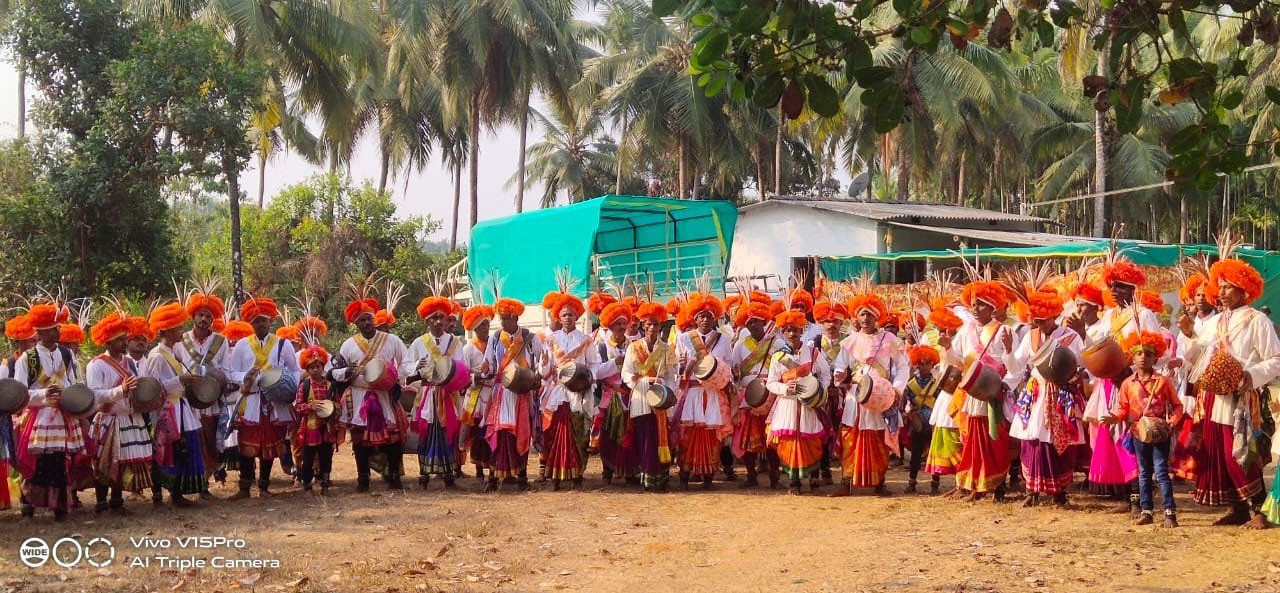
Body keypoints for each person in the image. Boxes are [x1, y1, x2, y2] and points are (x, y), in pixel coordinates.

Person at [1178, 249, 1280, 529]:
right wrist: (1189, 335)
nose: (1221, 292)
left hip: (1244, 397)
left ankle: (1261, 511)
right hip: (1215, 396)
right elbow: (1201, 354)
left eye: (1227, 287)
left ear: (1244, 289)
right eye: (1219, 286)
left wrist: (1250, 375)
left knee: (1242, 453)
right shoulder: (1218, 321)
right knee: (1220, 455)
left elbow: (1275, 359)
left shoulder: (1256, 320)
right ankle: (1238, 509)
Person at [1008, 288, 1086, 507]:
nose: (1040, 325)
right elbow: (1016, 368)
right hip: (1036, 394)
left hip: (1061, 395)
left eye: (1043, 320)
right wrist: (1007, 352)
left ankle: (1059, 492)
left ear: (1054, 316)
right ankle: (1032, 491)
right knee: (1032, 440)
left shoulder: (1070, 337)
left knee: (1057, 442)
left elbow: (1083, 364)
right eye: (1036, 320)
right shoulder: (1030, 338)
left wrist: (1073, 379)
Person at [830, 292, 908, 497]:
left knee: (878, 438)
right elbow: (840, 365)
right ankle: (845, 482)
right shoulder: (850, 341)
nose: (865, 318)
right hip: (856, 397)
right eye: (862, 314)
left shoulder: (890, 340)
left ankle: (879, 482)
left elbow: (902, 367)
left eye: (869, 315)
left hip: (881, 396)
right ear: (856, 317)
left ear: (877, 317)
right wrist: (841, 374)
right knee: (850, 438)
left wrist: (897, 390)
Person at [331, 294, 409, 492]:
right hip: (359, 396)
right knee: (360, 439)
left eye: (369, 318)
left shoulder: (391, 340)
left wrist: (394, 378)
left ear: (374, 319)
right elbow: (334, 372)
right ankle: (362, 479)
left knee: (392, 437)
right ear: (355, 323)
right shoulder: (348, 345)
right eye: (362, 320)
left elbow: (406, 362)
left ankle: (393, 476)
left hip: (384, 395)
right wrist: (347, 372)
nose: (366, 322)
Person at [1106, 331, 1184, 527]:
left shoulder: (1162, 382)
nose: (1143, 358)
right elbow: (1123, 409)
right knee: (1143, 472)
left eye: (1147, 354)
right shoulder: (1127, 383)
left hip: (1159, 434)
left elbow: (1177, 405)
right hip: (1138, 433)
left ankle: (1169, 514)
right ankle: (1146, 511)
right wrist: (1115, 418)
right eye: (1138, 353)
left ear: (1155, 357)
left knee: (1161, 472)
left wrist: (1172, 423)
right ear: (1132, 357)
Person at [14, 303, 83, 520]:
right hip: (39, 417)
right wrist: (44, 395)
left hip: (63, 415)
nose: (58, 332)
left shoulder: (67, 355)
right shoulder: (28, 358)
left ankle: (60, 505)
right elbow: (20, 393)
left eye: (58, 328)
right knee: (38, 461)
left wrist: (71, 395)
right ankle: (29, 503)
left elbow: (74, 382)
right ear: (41, 332)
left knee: (60, 461)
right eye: (54, 328)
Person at [949, 278, 1017, 502]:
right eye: (973, 304)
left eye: (981, 304)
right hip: (970, 393)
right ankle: (975, 486)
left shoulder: (1004, 330)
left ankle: (998, 487)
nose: (975, 309)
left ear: (993, 307)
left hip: (993, 391)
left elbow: (1015, 365)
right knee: (971, 439)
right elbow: (957, 361)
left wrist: (1008, 351)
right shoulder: (965, 330)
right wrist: (947, 347)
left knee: (994, 439)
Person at [225, 297, 300, 499]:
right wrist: (248, 377)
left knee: (270, 444)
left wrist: (289, 389)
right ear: (251, 323)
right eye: (256, 321)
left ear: (270, 321)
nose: (261, 324)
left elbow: (295, 371)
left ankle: (264, 486)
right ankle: (244, 488)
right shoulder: (241, 345)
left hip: (273, 401)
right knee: (247, 444)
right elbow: (231, 372)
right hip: (250, 400)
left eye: (264, 320)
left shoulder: (283, 345)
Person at [86, 310, 153, 514]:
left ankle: (117, 501)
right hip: (108, 418)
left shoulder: (130, 363)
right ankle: (100, 501)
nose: (125, 343)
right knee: (103, 460)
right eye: (120, 340)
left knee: (122, 461)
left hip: (129, 417)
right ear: (108, 342)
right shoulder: (95, 365)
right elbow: (95, 395)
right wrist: (121, 390)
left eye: (125, 339)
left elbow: (136, 388)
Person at [139, 301, 206, 507]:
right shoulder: (157, 356)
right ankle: (168, 492)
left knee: (183, 447)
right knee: (172, 449)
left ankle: (177, 492)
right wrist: (181, 380)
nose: (182, 331)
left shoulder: (173, 352)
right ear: (167, 331)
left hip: (180, 407)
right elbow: (152, 387)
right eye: (178, 328)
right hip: (168, 410)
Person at [540, 292, 601, 490]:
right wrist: (543, 365)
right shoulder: (550, 339)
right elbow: (545, 370)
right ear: (558, 317)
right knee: (554, 432)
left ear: (577, 317)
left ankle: (576, 475)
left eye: (571, 314)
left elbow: (594, 364)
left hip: (578, 392)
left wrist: (589, 380)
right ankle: (555, 475)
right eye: (564, 314)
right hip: (557, 392)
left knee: (578, 433)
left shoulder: (586, 339)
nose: (567, 318)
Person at [765, 310, 831, 494]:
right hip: (787, 405)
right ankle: (794, 482)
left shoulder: (813, 353)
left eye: (795, 330)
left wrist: (818, 389)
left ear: (802, 331)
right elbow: (771, 383)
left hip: (810, 406)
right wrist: (786, 389)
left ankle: (814, 478)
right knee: (789, 443)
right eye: (787, 330)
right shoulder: (778, 357)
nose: (792, 334)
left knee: (812, 441)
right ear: (782, 333)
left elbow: (826, 375)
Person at [483, 297, 543, 493]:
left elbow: (541, 362)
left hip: (522, 393)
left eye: (506, 318)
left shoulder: (530, 337)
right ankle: (493, 477)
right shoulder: (495, 338)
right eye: (501, 318)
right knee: (499, 433)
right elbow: (489, 365)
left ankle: (522, 476)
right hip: (501, 392)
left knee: (521, 432)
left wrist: (537, 377)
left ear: (515, 317)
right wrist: (485, 372)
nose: (502, 322)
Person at [404, 296, 465, 490]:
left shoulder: (455, 342)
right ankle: (424, 474)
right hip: (427, 394)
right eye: (434, 317)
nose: (438, 321)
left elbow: (462, 366)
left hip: (447, 394)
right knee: (426, 432)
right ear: (426, 321)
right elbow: (405, 367)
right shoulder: (418, 343)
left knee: (448, 433)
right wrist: (416, 366)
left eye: (442, 317)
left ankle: (449, 475)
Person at [674, 293, 734, 490]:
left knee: (711, 435)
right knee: (688, 434)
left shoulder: (723, 340)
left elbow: (728, 365)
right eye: (701, 316)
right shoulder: (683, 339)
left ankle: (708, 475)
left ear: (714, 317)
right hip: (692, 392)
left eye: (708, 316)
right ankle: (684, 474)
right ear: (694, 318)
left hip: (713, 393)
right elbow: (677, 369)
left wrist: (730, 380)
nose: (705, 320)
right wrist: (681, 367)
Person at [621, 302, 678, 492]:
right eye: (648, 324)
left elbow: (672, 375)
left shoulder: (667, 349)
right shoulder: (633, 348)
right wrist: (643, 383)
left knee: (661, 435)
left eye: (656, 324)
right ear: (643, 326)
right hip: (641, 397)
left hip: (660, 396)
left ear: (661, 326)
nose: (652, 328)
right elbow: (627, 373)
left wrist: (667, 390)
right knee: (645, 437)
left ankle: (661, 477)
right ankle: (646, 475)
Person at [183, 287, 231, 499]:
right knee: (192, 442)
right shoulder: (180, 341)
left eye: (208, 316)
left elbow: (226, 369)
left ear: (213, 319)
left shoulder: (221, 341)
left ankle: (206, 482)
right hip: (188, 401)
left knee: (211, 443)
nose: (203, 319)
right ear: (193, 316)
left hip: (211, 400)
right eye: (200, 315)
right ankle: (193, 484)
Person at [1171, 272, 1218, 482]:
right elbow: (1183, 351)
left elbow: (1208, 350)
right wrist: (1179, 362)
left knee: (1206, 426)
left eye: (1205, 294)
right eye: (1197, 294)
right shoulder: (1189, 322)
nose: (1201, 298)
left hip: (1210, 381)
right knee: (1190, 423)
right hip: (1189, 381)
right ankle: (1189, 469)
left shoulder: (1218, 321)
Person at [730, 301, 780, 488]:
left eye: (757, 321)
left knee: (771, 436)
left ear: (764, 322)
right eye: (749, 322)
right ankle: (751, 475)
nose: (753, 325)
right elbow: (735, 371)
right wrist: (734, 375)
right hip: (748, 395)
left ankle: (774, 476)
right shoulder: (740, 345)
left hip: (771, 394)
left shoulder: (777, 343)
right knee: (748, 436)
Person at [594, 301, 637, 485]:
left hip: (630, 396)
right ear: (609, 325)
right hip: (610, 397)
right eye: (617, 324)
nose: (620, 327)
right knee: (609, 435)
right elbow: (596, 372)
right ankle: (608, 471)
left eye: (623, 323)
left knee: (629, 434)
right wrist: (615, 364)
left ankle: (629, 471)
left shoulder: (634, 346)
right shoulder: (602, 347)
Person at [923, 299, 964, 492]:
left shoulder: (963, 339)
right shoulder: (940, 341)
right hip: (946, 394)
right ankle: (950, 484)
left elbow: (962, 365)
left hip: (961, 394)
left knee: (957, 436)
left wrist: (949, 348)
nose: (942, 330)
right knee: (943, 433)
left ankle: (963, 482)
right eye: (939, 326)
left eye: (946, 326)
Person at [293, 344, 341, 494]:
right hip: (310, 427)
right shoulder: (304, 386)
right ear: (307, 370)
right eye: (312, 367)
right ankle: (307, 484)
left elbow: (338, 405)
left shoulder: (330, 385)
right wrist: (310, 406)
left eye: (318, 366)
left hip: (327, 427)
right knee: (308, 456)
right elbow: (298, 406)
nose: (315, 369)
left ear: (323, 367)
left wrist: (332, 407)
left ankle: (325, 482)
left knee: (326, 455)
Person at [810, 299, 846, 485]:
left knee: (843, 432)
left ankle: (846, 476)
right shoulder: (813, 343)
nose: (831, 325)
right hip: (821, 394)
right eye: (827, 322)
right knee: (820, 432)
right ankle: (820, 470)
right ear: (821, 323)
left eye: (835, 322)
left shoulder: (849, 342)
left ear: (841, 323)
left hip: (843, 395)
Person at [459, 305, 495, 482]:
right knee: (475, 434)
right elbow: (463, 375)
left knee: (490, 432)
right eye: (481, 325)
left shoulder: (495, 345)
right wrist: (476, 378)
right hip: (474, 396)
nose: (485, 328)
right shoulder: (468, 349)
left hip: (491, 394)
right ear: (473, 327)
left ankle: (492, 467)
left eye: (487, 324)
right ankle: (479, 469)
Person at [903, 344, 939, 494]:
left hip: (932, 420)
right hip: (917, 420)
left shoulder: (938, 383)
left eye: (927, 364)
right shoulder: (911, 384)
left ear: (932, 364)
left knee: (934, 453)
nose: (924, 367)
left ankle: (935, 484)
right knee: (916, 454)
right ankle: (912, 482)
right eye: (921, 364)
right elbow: (905, 402)